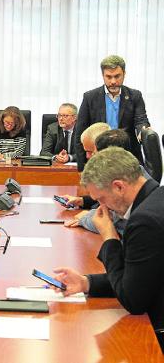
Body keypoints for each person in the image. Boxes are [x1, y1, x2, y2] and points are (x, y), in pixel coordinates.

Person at [53, 147, 164, 353]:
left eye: (102, 199)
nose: (101, 207)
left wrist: (109, 237)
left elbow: (133, 300)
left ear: (119, 187)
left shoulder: (144, 221)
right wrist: (87, 282)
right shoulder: (157, 197)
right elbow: (139, 276)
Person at [63, 128, 152, 234]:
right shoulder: (134, 173)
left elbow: (114, 222)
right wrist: (83, 201)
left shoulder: (145, 213)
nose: (90, 157)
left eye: (94, 153)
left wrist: (86, 218)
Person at [74, 55, 150, 171]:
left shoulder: (135, 96)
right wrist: (82, 168)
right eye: (108, 77)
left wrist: (142, 130)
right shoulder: (90, 97)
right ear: (103, 76)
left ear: (124, 74)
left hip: (127, 157)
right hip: (99, 158)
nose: (113, 81)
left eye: (117, 76)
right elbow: (80, 133)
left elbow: (141, 119)